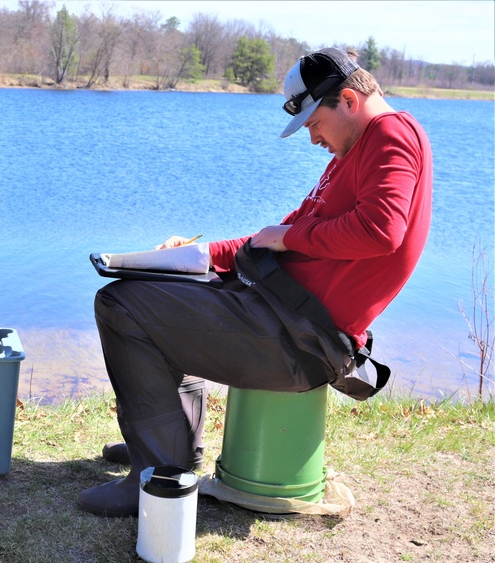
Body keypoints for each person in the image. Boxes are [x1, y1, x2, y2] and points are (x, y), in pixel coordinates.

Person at [79, 47, 433, 517]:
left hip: (301, 341)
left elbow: (380, 230)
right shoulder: (352, 151)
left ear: (348, 99)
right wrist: (200, 254)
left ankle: (156, 471)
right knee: (168, 286)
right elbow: (274, 241)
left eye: (313, 124)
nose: (313, 140)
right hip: (282, 317)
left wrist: (288, 238)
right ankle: (169, 447)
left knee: (121, 304)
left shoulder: (391, 134)